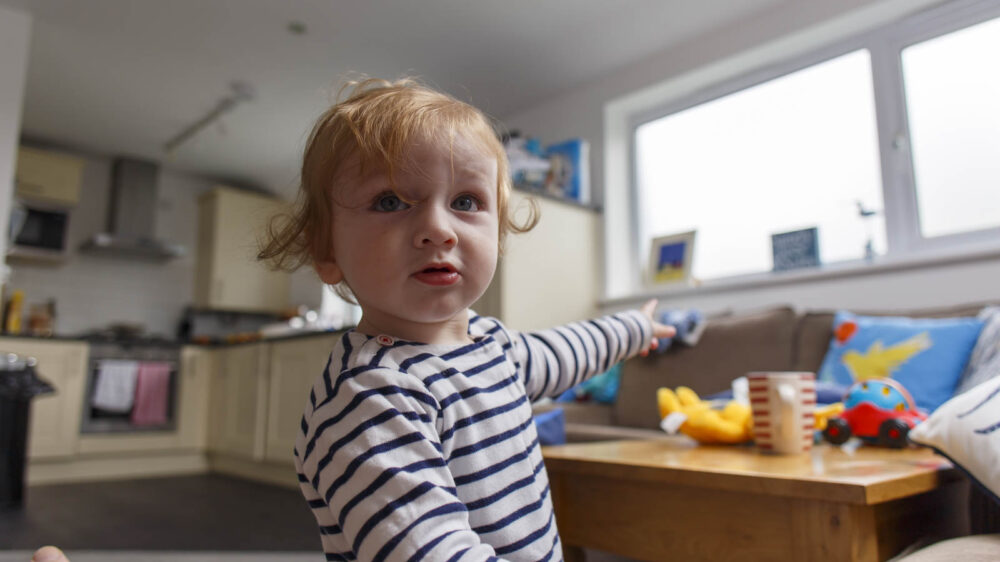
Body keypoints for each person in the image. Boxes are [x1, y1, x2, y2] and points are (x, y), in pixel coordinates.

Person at [256, 76, 675, 561]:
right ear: (327, 251)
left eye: (465, 202)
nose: (438, 228)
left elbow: (562, 353)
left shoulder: (489, 344)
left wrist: (634, 328)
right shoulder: (369, 400)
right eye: (390, 201)